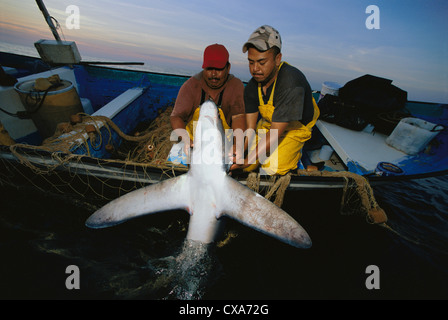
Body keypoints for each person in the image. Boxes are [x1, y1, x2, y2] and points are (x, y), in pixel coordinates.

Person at [231, 25, 320, 175]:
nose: (255, 69)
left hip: (295, 128)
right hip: (270, 123)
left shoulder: (291, 82)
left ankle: (297, 158)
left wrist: (247, 160)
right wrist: (241, 150)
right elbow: (251, 128)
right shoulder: (253, 86)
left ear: (277, 59)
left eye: (262, 62)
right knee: (248, 164)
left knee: (271, 169)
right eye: (251, 62)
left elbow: (274, 133)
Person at [170, 44, 246, 155]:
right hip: (193, 144)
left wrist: (237, 145)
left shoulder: (236, 86)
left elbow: (238, 117)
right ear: (204, 67)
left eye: (219, 69)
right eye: (209, 69)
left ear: (228, 68)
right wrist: (187, 140)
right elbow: (176, 116)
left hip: (225, 146)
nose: (213, 74)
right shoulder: (191, 85)